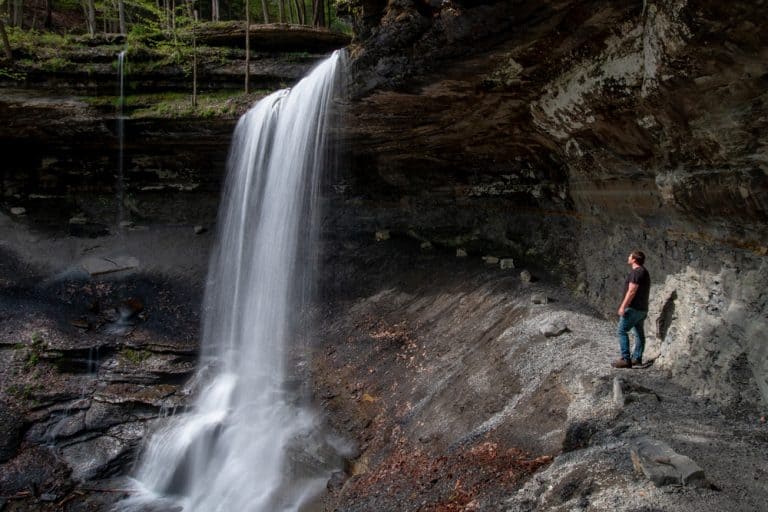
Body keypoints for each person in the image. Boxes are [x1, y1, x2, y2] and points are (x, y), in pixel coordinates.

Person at [612, 250, 651, 368]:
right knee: (639, 334)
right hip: (642, 309)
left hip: (633, 308)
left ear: (634, 259)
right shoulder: (644, 272)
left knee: (621, 331)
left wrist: (623, 306)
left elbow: (632, 291)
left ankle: (626, 359)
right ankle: (637, 359)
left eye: (630, 256)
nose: (628, 257)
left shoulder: (637, 272)